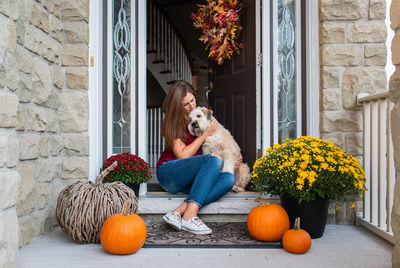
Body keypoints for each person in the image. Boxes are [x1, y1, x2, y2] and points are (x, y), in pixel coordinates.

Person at [156, 80, 241, 235]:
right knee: (213, 159)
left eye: (192, 100)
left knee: (228, 179)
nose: (191, 106)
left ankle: (177, 212)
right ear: (177, 105)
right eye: (185, 104)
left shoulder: (201, 117)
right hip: (170, 173)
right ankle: (190, 216)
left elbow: (221, 142)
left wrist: (233, 159)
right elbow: (182, 156)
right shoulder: (172, 121)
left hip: (191, 178)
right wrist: (205, 136)